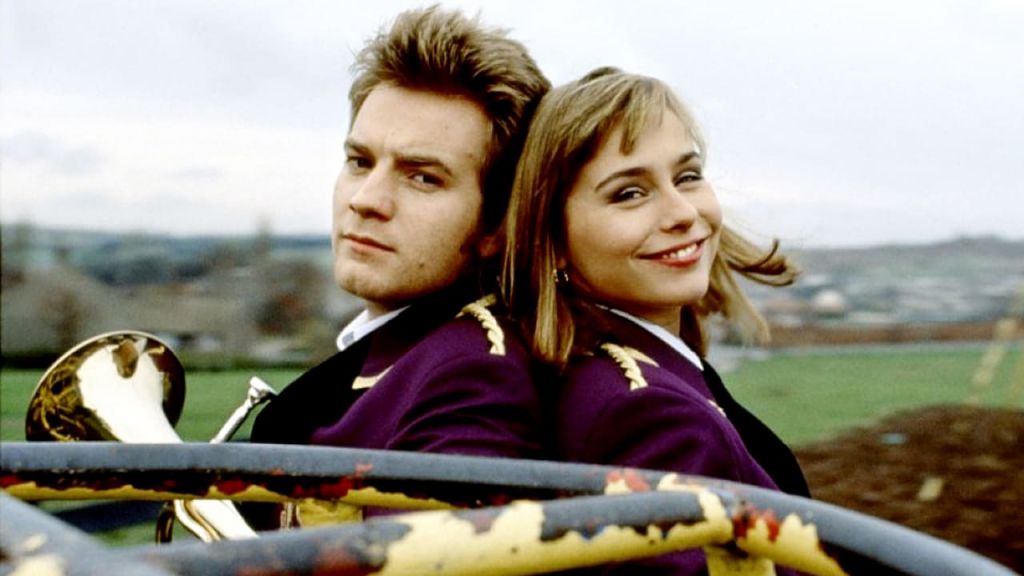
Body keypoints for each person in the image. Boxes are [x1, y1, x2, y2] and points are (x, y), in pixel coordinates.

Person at [248, 5, 551, 526]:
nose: (366, 199)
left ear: (498, 225)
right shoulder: (402, 354)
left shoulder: (476, 375)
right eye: (360, 161)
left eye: (423, 177)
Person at [502, 67, 809, 573]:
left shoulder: (621, 373)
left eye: (687, 176)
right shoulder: (648, 413)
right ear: (552, 240)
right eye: (629, 193)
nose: (682, 212)